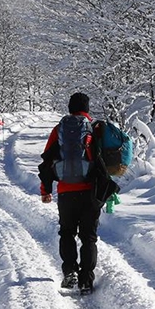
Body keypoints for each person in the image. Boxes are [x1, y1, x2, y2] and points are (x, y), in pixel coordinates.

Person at [37, 92, 102, 295]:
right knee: (88, 237)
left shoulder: (60, 129)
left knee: (67, 233)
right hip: (90, 191)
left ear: (69, 107)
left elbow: (47, 160)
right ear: (87, 108)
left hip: (66, 191)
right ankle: (86, 280)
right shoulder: (96, 128)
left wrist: (45, 190)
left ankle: (70, 272)